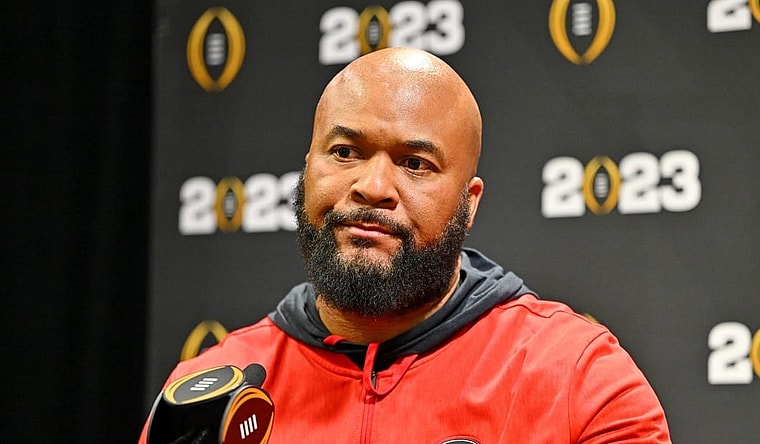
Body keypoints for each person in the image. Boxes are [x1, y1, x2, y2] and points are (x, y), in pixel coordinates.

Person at [140, 47, 671, 443]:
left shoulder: (578, 379)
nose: (372, 186)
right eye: (345, 151)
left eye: (415, 164)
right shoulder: (208, 393)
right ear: (306, 172)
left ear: (470, 203)